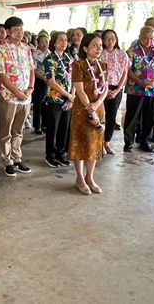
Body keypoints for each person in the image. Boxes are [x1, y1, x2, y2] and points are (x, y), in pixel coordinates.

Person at [0, 16, 34, 177]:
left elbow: (31, 70)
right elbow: (2, 75)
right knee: (7, 129)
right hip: (9, 97)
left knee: (19, 129)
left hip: (26, 97)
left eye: (21, 29)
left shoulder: (26, 48)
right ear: (8, 32)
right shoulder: (1, 49)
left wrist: (30, 89)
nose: (20, 33)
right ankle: (7, 160)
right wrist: (17, 93)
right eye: (16, 30)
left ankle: (17, 158)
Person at [68, 34, 108, 195]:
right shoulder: (78, 65)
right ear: (85, 48)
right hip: (82, 108)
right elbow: (79, 90)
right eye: (94, 45)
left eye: (100, 45)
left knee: (94, 143)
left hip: (98, 107)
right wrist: (90, 109)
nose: (99, 48)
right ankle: (80, 178)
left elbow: (105, 88)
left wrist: (97, 105)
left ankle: (90, 178)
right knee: (80, 142)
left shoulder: (103, 65)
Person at [123, 26, 154, 153]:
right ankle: (128, 141)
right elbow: (127, 69)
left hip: (153, 89)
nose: (148, 41)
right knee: (132, 115)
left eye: (151, 38)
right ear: (139, 37)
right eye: (145, 38)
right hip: (135, 88)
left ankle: (145, 141)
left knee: (150, 116)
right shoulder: (132, 51)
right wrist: (140, 82)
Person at [42, 32, 74, 168]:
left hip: (69, 99)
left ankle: (61, 153)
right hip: (54, 99)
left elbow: (75, 79)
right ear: (54, 43)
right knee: (53, 129)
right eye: (60, 40)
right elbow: (52, 82)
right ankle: (50, 155)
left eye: (66, 40)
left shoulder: (70, 59)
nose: (63, 42)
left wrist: (71, 97)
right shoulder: (49, 59)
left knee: (64, 127)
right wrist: (68, 95)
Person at [100, 29, 130, 154]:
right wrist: (105, 89)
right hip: (101, 89)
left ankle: (107, 142)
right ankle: (98, 142)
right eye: (107, 37)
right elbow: (95, 73)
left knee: (111, 116)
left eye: (112, 37)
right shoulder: (100, 53)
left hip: (116, 89)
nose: (110, 40)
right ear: (103, 40)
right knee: (100, 116)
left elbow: (125, 72)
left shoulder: (122, 54)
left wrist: (118, 89)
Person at [32, 34, 50, 134]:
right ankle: (37, 125)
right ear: (38, 43)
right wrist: (43, 77)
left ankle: (45, 124)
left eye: (46, 42)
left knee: (47, 103)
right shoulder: (34, 54)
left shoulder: (51, 54)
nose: (44, 44)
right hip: (38, 80)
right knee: (38, 103)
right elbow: (33, 70)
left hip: (50, 82)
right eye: (42, 42)